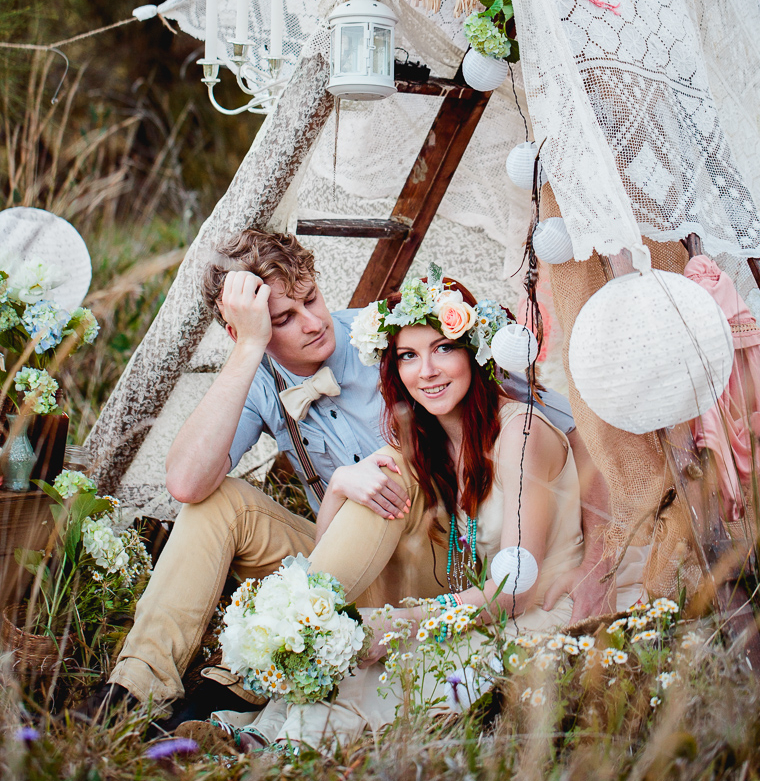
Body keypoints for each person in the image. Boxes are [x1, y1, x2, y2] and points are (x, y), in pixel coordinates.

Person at [84, 230, 610, 723]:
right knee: (216, 505)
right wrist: (247, 350)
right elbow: (185, 483)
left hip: (435, 561)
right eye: (283, 318)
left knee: (390, 465)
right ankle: (133, 687)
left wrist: (600, 557)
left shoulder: (391, 338)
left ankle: (248, 677)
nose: (313, 322)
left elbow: (570, 428)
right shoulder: (259, 375)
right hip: (341, 562)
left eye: (310, 299)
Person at [228, 272, 642, 751]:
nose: (426, 370)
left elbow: (515, 593)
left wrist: (405, 623)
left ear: (474, 353)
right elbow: (331, 549)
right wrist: (339, 488)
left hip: (546, 609)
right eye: (408, 355)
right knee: (373, 661)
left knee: (401, 675)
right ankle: (273, 729)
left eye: (443, 348)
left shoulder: (519, 435)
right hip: (485, 605)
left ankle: (288, 747)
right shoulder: (428, 448)